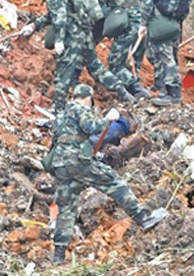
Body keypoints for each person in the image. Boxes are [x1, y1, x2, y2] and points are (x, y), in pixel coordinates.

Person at [44, 84, 167, 263]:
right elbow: (92, 127)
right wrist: (108, 119)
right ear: (88, 98)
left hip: (62, 165)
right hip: (79, 162)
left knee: (67, 209)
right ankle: (142, 218)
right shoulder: (80, 109)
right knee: (115, 183)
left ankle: (59, 255)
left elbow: (56, 140)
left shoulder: (61, 115)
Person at [19, 0, 130, 110]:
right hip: (84, 33)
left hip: (72, 37)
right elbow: (53, 14)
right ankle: (125, 94)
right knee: (96, 68)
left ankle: (58, 110)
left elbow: (60, 16)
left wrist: (59, 40)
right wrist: (34, 25)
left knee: (63, 71)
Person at [93, 0, 150, 100]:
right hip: (143, 26)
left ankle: (136, 88)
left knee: (115, 65)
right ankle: (137, 93)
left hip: (127, 28)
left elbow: (95, 8)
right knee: (135, 61)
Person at [141, 0, 192, 105]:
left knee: (164, 56)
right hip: (176, 22)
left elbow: (147, 0)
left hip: (160, 21)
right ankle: (163, 90)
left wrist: (143, 23)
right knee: (172, 55)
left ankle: (174, 94)